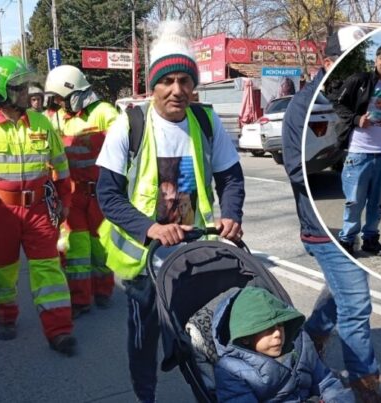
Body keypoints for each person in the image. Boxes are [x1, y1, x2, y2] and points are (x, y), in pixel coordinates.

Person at [95, 20, 245, 403]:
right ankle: (146, 395)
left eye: (185, 81)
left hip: (195, 251)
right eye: (167, 81)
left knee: (208, 331)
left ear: (194, 85)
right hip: (143, 259)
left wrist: (231, 213)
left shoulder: (207, 122)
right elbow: (108, 196)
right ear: (152, 85)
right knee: (144, 336)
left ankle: (209, 389)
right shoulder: (129, 125)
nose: (177, 90)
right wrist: (151, 229)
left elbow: (231, 178)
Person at [282, 26, 381, 403]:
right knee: (356, 303)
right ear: (327, 62)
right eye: (348, 58)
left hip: (346, 221)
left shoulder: (349, 97)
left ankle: (305, 351)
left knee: (338, 296)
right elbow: (295, 168)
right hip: (320, 224)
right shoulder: (304, 106)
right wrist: (337, 160)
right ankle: (366, 387)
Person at [0, 56, 77, 355]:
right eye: (19, 87)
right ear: (1, 91)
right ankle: (5, 316)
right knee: (1, 271)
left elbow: (60, 167)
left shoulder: (41, 122)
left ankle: (59, 330)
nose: (27, 91)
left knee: (49, 270)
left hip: (38, 211)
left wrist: (65, 201)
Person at [44, 65, 120, 316]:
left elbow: (123, 147)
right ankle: (80, 299)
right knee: (75, 249)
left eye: (59, 98)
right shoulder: (59, 118)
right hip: (74, 194)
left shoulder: (104, 113)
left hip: (100, 194)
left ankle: (103, 290)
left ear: (73, 93)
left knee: (101, 248)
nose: (57, 103)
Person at [213, 287, 353, 403]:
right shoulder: (231, 370)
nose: (277, 334)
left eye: (280, 325)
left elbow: (326, 381)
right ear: (245, 338)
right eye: (268, 329)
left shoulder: (302, 345)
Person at [334, 44, 381, 257]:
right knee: (355, 200)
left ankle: (371, 239)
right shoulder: (360, 80)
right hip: (360, 151)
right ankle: (347, 241)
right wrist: (357, 119)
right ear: (375, 59)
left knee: (377, 202)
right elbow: (338, 104)